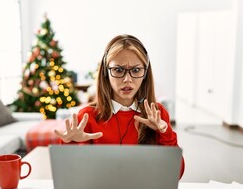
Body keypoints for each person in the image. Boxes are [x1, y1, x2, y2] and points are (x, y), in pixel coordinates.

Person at [54, 34, 185, 178]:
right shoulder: (87, 117)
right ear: (105, 72)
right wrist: (70, 143)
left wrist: (165, 134)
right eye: (118, 70)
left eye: (135, 70)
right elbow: (70, 175)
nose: (127, 79)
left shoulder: (157, 113)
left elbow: (175, 174)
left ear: (145, 73)